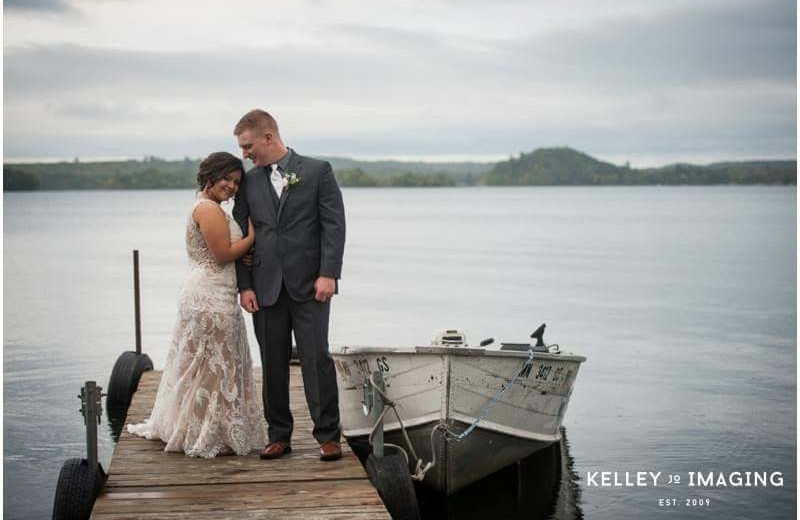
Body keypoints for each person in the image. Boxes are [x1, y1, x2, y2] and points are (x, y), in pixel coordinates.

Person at [127, 152, 266, 457]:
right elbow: (222, 254)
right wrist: (252, 238)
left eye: (236, 182)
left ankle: (206, 426)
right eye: (226, 178)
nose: (231, 186)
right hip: (209, 297)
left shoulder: (209, 206)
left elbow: (226, 251)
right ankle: (205, 432)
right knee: (213, 366)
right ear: (209, 176)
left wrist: (241, 251)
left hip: (213, 292)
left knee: (208, 366)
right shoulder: (207, 209)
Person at [232, 109, 346, 461]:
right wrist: (245, 285)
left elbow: (334, 226)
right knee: (272, 364)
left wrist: (329, 274)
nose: (245, 153)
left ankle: (328, 435)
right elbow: (242, 235)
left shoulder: (317, 171)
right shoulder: (249, 182)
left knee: (316, 360)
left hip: (311, 285)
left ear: (269, 137)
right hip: (265, 288)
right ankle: (278, 435)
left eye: (248, 146)